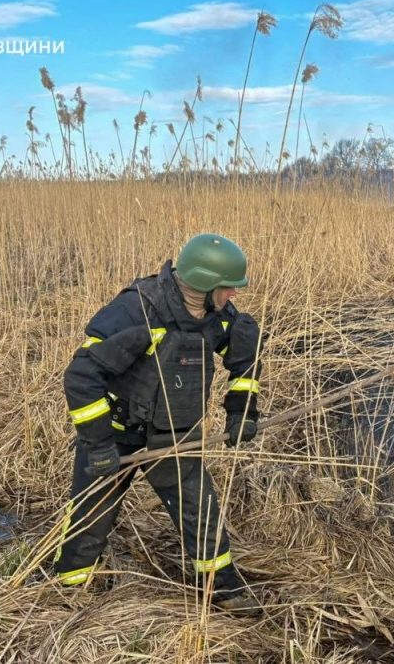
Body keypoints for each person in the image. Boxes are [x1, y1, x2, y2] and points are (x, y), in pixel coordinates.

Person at [53, 233, 262, 615]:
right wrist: (99, 446)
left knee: (201, 509)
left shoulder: (217, 319)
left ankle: (224, 589)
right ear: (205, 283)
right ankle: (69, 590)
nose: (233, 295)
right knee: (91, 516)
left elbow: (245, 353)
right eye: (228, 287)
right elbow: (81, 377)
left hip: (174, 435)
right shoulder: (138, 311)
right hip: (114, 434)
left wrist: (242, 410)